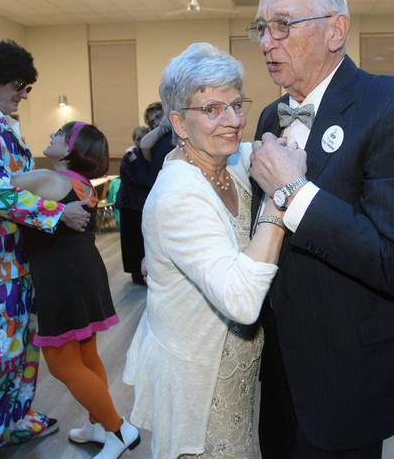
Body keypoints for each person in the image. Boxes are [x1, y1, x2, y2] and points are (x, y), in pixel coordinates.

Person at [247, 0, 394, 458]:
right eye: (262, 28)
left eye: (283, 25)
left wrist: (293, 190)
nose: (267, 42)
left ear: (336, 30)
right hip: (278, 362)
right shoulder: (272, 116)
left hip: (347, 369)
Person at [123, 43, 289, 458]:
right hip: (199, 378)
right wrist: (281, 197)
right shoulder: (180, 193)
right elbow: (242, 300)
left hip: (233, 371)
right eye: (213, 109)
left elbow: (272, 149)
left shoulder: (228, 163)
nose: (233, 121)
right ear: (178, 122)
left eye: (237, 105)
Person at [0, 116, 140, 458]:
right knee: (87, 354)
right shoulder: (80, 181)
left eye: (59, 134)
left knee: (62, 365)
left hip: (61, 277)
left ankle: (118, 428)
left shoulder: (44, 178)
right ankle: (99, 425)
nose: (52, 135)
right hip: (85, 270)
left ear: (70, 150)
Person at [0, 40, 91, 458]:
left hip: (15, 253)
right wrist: (56, 214)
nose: (25, 94)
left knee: (23, 343)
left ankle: (11, 422)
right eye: (20, 86)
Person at [117, 126, 150, 284]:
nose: (140, 141)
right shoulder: (131, 155)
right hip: (130, 204)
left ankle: (142, 272)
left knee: (141, 239)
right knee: (132, 240)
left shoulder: (145, 154)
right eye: (138, 138)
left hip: (140, 204)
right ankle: (136, 274)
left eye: (143, 138)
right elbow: (140, 179)